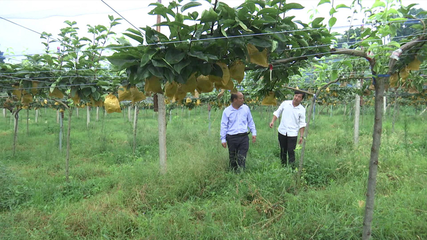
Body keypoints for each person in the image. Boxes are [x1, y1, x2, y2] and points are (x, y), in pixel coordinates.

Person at [220, 92, 257, 171]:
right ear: (235, 99)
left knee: (242, 157)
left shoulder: (246, 108)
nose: (243, 100)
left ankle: (241, 173)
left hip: (243, 137)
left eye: (243, 98)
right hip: (232, 137)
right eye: (241, 98)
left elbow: (250, 121)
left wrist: (254, 132)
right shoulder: (227, 111)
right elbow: (224, 125)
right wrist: (223, 139)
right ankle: (233, 173)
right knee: (233, 158)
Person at [269, 90, 306, 167]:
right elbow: (277, 112)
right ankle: (283, 166)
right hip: (282, 131)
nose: (296, 98)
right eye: (296, 95)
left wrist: (301, 136)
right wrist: (272, 121)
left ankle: (292, 167)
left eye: (299, 97)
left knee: (291, 151)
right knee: (283, 150)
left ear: (301, 99)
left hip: (292, 133)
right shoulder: (285, 103)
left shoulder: (302, 109)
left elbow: (302, 123)